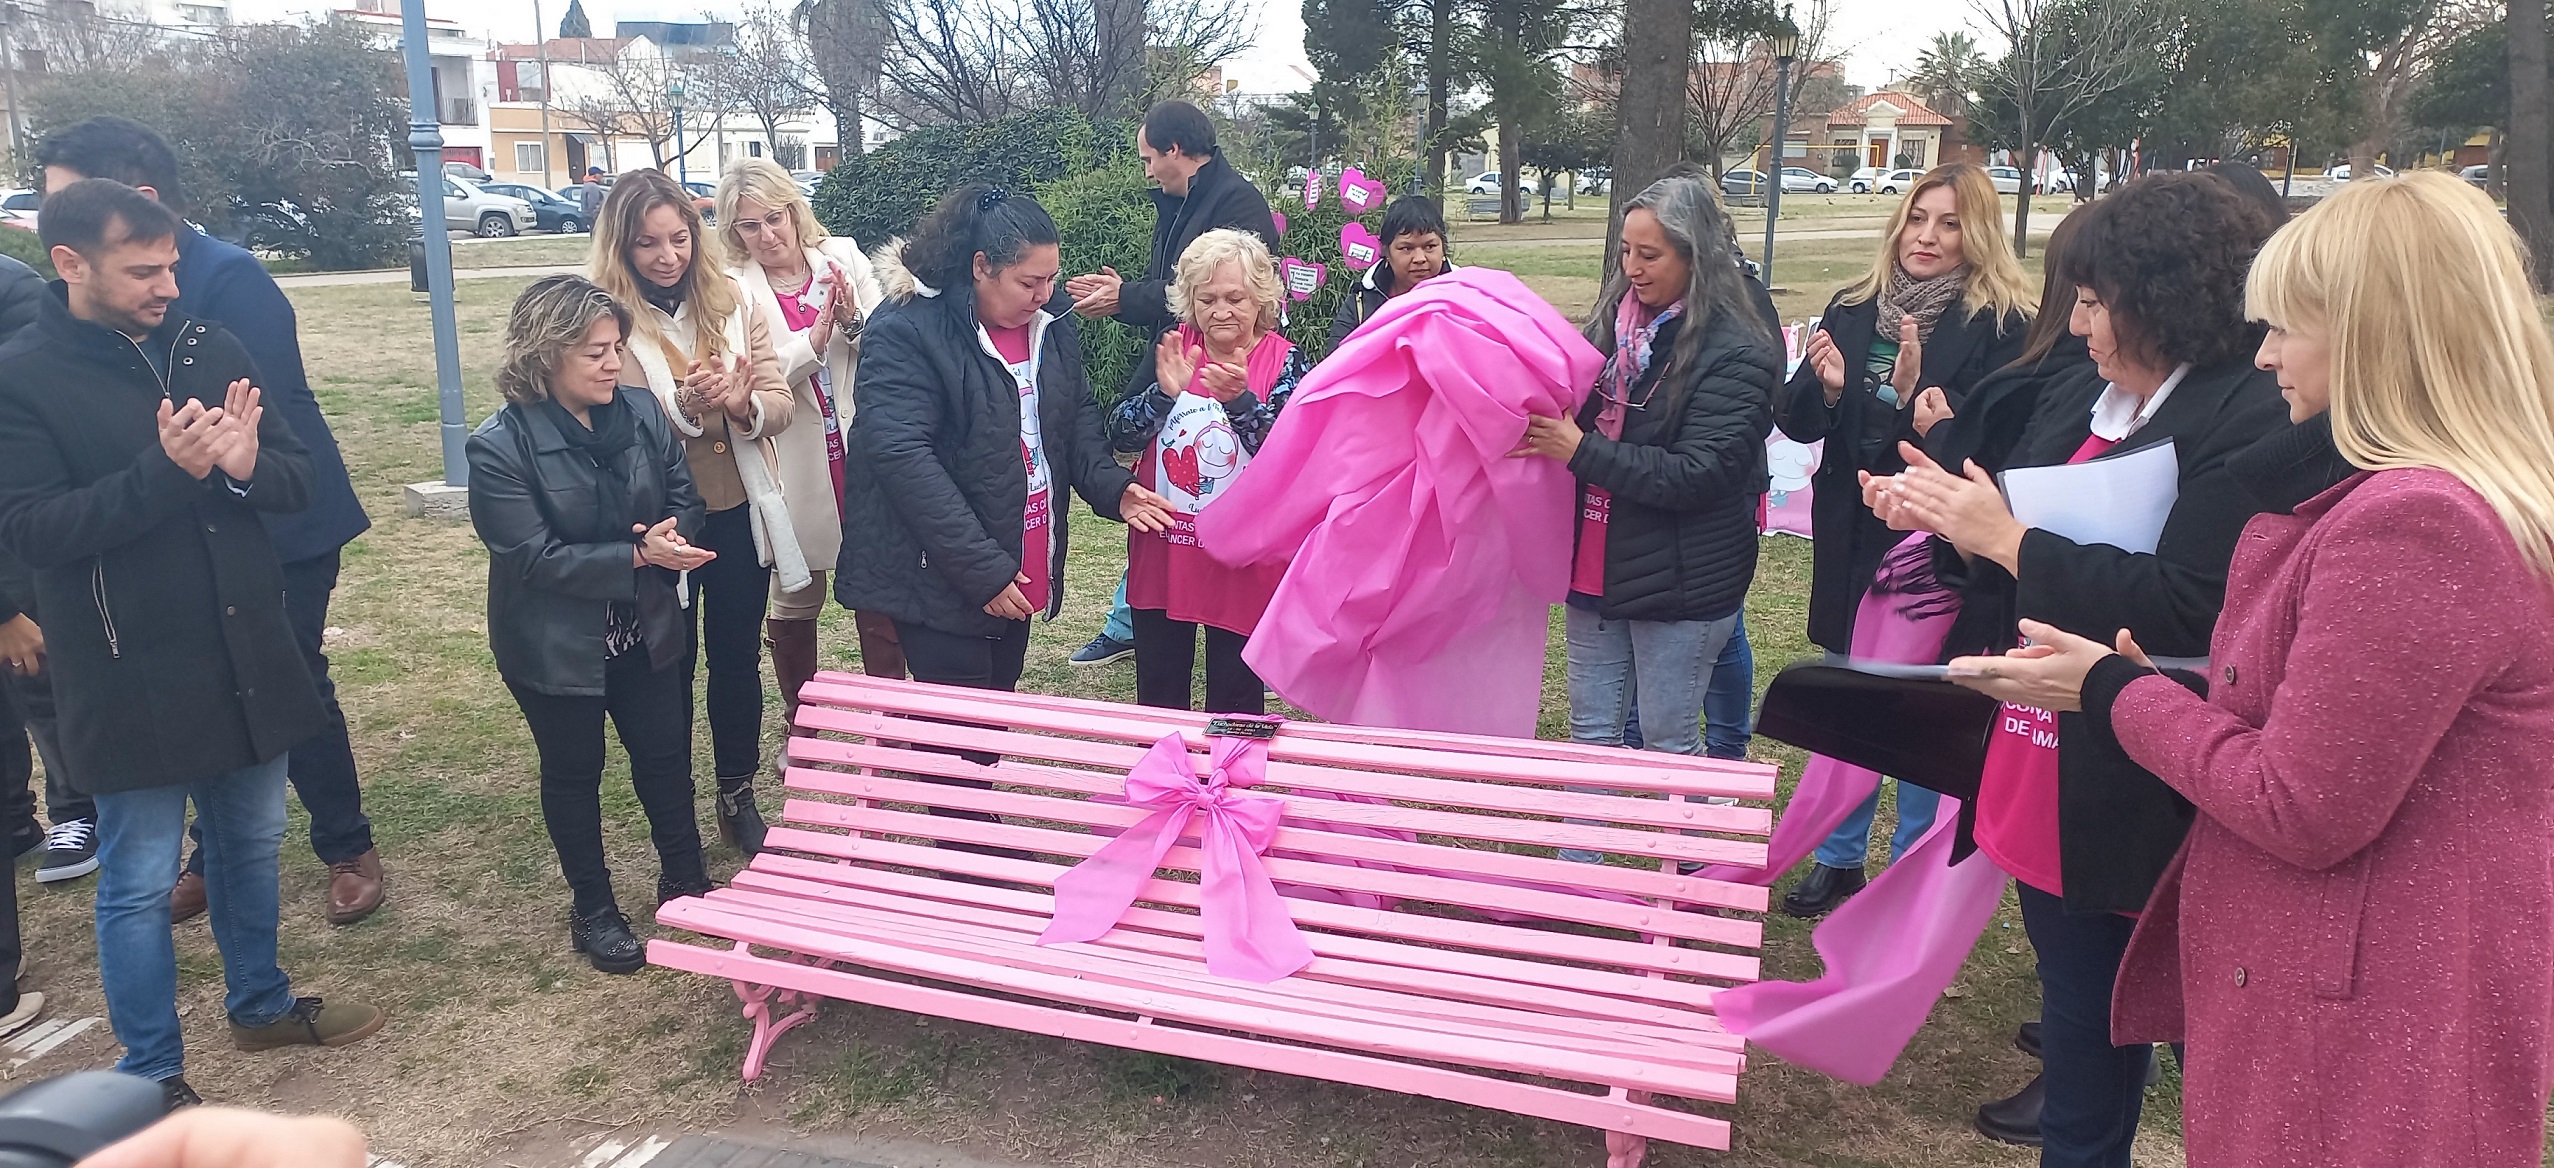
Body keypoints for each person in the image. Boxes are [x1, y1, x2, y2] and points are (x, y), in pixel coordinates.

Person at [1951, 172, 2554, 1168]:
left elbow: (2299, 801)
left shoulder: (2418, 524)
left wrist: (2111, 690)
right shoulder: (2441, 502)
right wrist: (2175, 687)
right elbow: (2338, 733)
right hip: (2368, 991)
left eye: (2285, 327)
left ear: (2377, 336)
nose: (2263, 352)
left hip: (2361, 1013)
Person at [1865, 171, 2287, 1168]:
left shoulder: (2247, 416)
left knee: (2202, 1041)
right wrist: (1948, 520)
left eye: (2096, 301)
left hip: (2161, 779)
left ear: (2165, 301)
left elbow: (2193, 604)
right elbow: (2018, 520)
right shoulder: (2086, 388)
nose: (2079, 323)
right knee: (2079, 1019)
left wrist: (2007, 542)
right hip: (2049, 753)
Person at [0, 179, 385, 1109]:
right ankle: (150, 1073)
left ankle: (260, 1001)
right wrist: (165, 473)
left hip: (245, 648)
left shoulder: (211, 347)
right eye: (142, 270)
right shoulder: (24, 377)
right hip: (128, 666)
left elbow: (295, 476)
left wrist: (251, 467)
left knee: (249, 842)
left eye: (171, 263)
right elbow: (34, 531)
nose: (168, 285)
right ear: (70, 263)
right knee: (136, 877)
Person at [36, 116, 384, 923]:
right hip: (176, 515)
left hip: (278, 523)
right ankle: (212, 845)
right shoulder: (78, 314)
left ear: (141, 199)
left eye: (70, 197)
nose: (59, 218)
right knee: (206, 682)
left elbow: (252, 421)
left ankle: (345, 841)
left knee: (288, 679)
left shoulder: (229, 281)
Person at [1772, 161, 2036, 917]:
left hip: (1931, 549)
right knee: (1851, 698)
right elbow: (1799, 423)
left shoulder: (2001, 326)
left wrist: (1911, 394)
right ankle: (1839, 857)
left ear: (1977, 233)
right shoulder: (1855, 307)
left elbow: (1987, 443)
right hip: (1852, 533)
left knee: (1922, 711)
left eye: (1949, 223)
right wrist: (1824, 387)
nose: (1927, 236)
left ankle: (1911, 871)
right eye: (1919, 218)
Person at [837, 185, 1172, 703]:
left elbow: (1072, 416)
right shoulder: (906, 328)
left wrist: (1114, 486)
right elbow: (901, 455)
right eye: (1028, 282)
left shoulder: (1049, 318)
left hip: (1020, 542)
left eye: (1052, 278)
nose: (1045, 294)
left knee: (998, 704)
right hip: (938, 568)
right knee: (957, 736)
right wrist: (982, 571)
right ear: (980, 267)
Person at [1512, 171, 1777, 819]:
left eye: (1649, 254)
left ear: (1696, 253)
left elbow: (1698, 474)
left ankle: (1679, 890)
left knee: (1668, 744)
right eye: (1626, 251)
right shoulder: (1615, 326)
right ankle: (1583, 880)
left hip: (1681, 581)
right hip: (1596, 566)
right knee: (1592, 736)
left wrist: (1580, 450)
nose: (1631, 268)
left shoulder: (1739, 349)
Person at [468, 276, 713, 974]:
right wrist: (639, 553)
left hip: (647, 625)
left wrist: (674, 532)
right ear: (544, 355)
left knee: (665, 756)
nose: (613, 363)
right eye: (593, 352)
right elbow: (531, 558)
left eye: (615, 347)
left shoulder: (640, 410)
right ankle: (594, 909)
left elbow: (685, 497)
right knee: (574, 773)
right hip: (554, 646)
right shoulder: (499, 446)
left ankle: (686, 879)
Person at [587, 168, 797, 856]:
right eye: (648, 244)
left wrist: (737, 403)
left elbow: (778, 402)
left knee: (736, 659)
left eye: (679, 238)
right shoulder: (600, 314)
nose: (668, 256)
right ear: (622, 248)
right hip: (655, 523)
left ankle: (736, 791)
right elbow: (598, 425)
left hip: (736, 508)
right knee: (664, 667)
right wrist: (682, 407)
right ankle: (671, 804)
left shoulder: (733, 298)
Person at [1062, 99, 1278, 668]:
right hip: (1178, 356)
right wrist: (1132, 296)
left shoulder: (1234, 203)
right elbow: (1182, 289)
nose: (1147, 171)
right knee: (1158, 487)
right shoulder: (1182, 202)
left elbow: (1214, 289)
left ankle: (1135, 620)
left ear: (1175, 151)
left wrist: (1126, 298)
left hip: (1211, 373)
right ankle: (1132, 619)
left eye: (1149, 159)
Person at [715, 158, 898, 736]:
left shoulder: (842, 256)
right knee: (795, 589)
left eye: (775, 218)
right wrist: (812, 343)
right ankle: (804, 724)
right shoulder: (731, 289)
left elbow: (890, 343)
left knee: (877, 581)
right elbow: (745, 373)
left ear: (795, 212)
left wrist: (852, 322)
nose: (768, 236)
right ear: (734, 232)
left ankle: (890, 722)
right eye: (750, 227)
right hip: (788, 454)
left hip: (861, 446)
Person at [1106, 229, 1306, 714]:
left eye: (1235, 297)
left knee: (1236, 697)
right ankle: (1164, 779)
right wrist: (1162, 394)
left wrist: (1240, 402)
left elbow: (1292, 456)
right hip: (1167, 548)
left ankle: (1231, 782)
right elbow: (1118, 434)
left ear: (1261, 297)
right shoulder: (1175, 348)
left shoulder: (1284, 360)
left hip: (1243, 558)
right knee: (1159, 687)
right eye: (1207, 298)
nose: (1221, 310)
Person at [1326, 194, 1454, 350]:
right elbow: (1336, 362)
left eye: (1429, 246)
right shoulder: (1362, 304)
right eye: (1406, 248)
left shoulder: (1464, 299)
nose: (1420, 258)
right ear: (1387, 252)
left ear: (1443, 248)